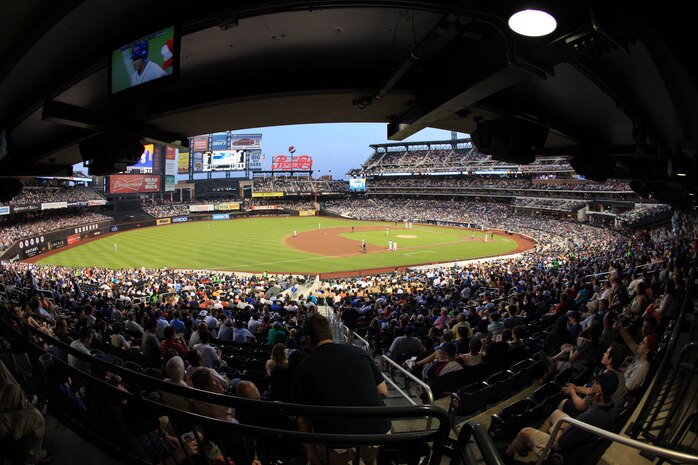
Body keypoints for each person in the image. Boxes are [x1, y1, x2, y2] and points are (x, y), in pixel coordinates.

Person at [292, 313, 390, 465]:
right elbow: (383, 391)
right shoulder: (359, 353)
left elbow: (302, 420)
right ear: (330, 333)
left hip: (337, 444)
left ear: (308, 340)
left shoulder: (303, 368)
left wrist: (312, 456)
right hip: (378, 435)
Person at [503, 371, 618, 462]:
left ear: (598, 390)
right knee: (556, 414)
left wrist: (561, 429)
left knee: (524, 432)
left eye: (596, 382)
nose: (592, 383)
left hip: (564, 453)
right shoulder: (612, 407)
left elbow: (558, 445)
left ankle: (507, 456)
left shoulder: (588, 416)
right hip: (580, 438)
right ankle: (532, 443)